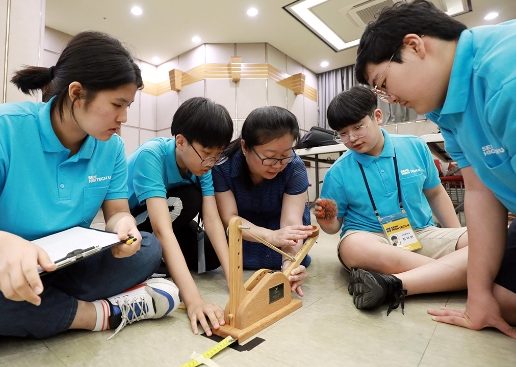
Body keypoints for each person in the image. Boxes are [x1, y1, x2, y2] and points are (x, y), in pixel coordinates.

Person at [0, 31, 180, 367]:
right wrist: (5, 247)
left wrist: (124, 229)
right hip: (1, 264)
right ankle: (100, 313)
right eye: (117, 105)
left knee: (148, 248)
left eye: (128, 106)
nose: (123, 119)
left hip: (68, 263)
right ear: (77, 93)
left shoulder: (112, 148)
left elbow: (118, 212)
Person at [354, 0, 516, 337]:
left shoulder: (504, 74)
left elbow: (440, 193)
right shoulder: (447, 111)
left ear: (414, 46)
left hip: (425, 234)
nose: (388, 98)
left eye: (383, 83)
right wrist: (480, 292)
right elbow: (479, 191)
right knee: (495, 302)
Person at [314, 86, 468, 315]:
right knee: (352, 247)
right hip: (372, 239)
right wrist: (327, 222)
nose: (352, 138)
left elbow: (435, 193)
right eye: (343, 133)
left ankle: (398, 281)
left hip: (422, 232)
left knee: (486, 240)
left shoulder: (414, 146)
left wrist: (456, 237)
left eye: (358, 127)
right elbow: (335, 226)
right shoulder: (338, 171)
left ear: (378, 116)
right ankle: (455, 275)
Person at [127, 97, 233, 336]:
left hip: (168, 219)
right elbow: (162, 228)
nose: (211, 162)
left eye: (217, 155)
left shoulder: (203, 165)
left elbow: (213, 219)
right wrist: (194, 300)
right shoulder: (152, 156)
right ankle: (158, 260)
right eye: (207, 153)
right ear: (181, 141)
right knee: (186, 197)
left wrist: (234, 279)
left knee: (213, 256)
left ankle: (166, 262)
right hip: (133, 222)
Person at [213, 106, 317, 296]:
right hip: (241, 248)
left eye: (285, 155)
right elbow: (230, 218)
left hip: (282, 248)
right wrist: (270, 236)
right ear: (245, 147)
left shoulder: (294, 168)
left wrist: (290, 264)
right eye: (269, 157)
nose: (278, 165)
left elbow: (291, 225)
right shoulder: (223, 167)